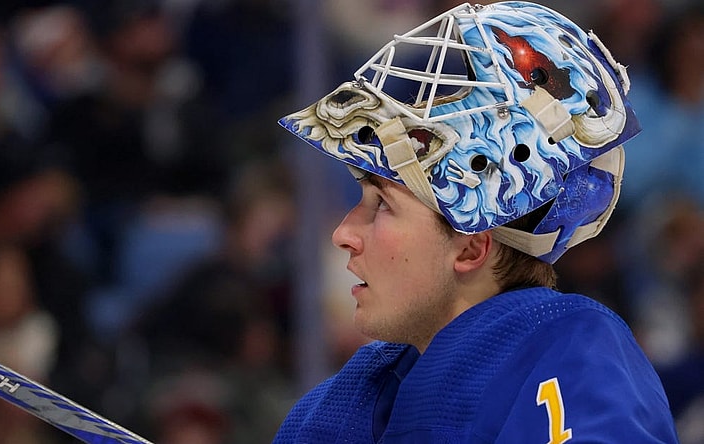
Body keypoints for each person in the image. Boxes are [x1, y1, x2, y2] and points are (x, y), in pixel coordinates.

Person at [274, 2, 679, 443]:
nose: (344, 234)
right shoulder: (334, 405)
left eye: (383, 204)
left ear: (470, 247)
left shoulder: (568, 355)